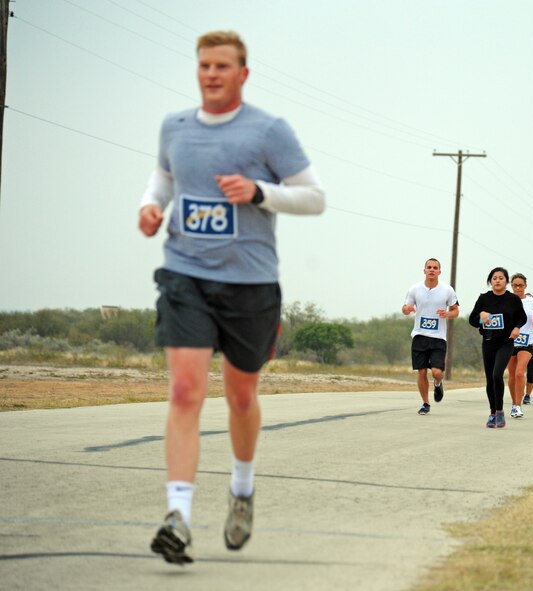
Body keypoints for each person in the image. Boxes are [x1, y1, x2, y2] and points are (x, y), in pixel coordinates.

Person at [139, 31, 326, 565]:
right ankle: (178, 516)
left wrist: (259, 192)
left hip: (250, 283)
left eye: (222, 66)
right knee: (183, 390)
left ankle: (241, 490)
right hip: (185, 274)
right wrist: (151, 208)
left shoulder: (268, 131)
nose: (211, 74)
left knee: (241, 396)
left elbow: (315, 197)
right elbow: (162, 179)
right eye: (204, 66)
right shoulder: (175, 127)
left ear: (242, 73)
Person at [468, 268, 527, 429]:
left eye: (501, 278)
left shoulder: (513, 300)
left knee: (496, 375)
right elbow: (472, 320)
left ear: (506, 281)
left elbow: (522, 317)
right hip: (488, 341)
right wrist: (481, 318)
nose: (498, 280)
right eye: (494, 278)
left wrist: (517, 327)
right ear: (490, 281)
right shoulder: (484, 299)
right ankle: (492, 413)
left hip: (506, 342)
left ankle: (500, 411)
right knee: (489, 379)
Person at [401, 258, 459, 415]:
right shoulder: (415, 289)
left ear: (440, 271)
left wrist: (448, 313)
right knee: (421, 372)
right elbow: (405, 308)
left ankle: (438, 383)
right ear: (424, 270)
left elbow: (456, 310)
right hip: (419, 335)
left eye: (435, 268)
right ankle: (425, 403)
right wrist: (407, 309)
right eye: (429, 267)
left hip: (438, 337)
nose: (432, 270)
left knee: (436, 372)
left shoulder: (447, 290)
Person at [507, 274, 533, 418]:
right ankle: (513, 402)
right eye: (515, 285)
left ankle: (518, 405)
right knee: (511, 375)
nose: (517, 288)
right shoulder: (506, 301)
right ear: (511, 286)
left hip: (527, 342)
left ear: (525, 286)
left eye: (520, 285)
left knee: (519, 372)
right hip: (510, 342)